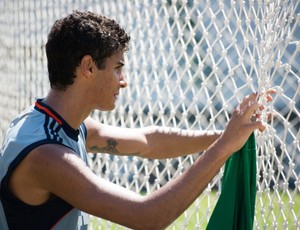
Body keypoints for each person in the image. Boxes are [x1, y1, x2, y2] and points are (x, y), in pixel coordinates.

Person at [0, 10, 275, 230]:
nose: (124, 81)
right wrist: (224, 148)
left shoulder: (56, 122)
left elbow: (148, 141)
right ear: (88, 67)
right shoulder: (46, 156)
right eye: (118, 68)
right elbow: (146, 216)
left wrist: (227, 134)